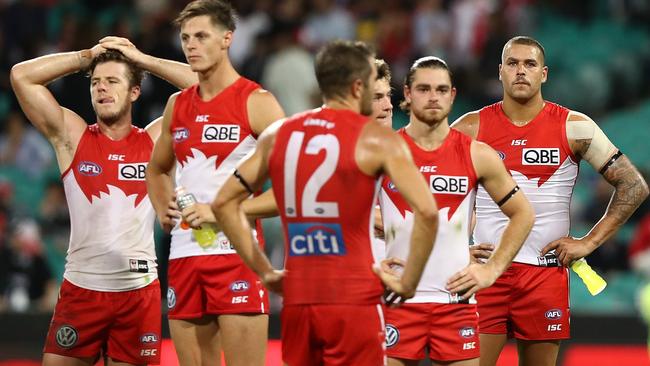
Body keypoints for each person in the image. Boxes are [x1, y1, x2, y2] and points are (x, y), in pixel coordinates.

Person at [212, 40, 439, 366]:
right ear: (358, 86)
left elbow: (223, 204)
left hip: (298, 296)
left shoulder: (279, 133)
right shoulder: (375, 138)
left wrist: (264, 271)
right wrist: (408, 283)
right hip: (354, 297)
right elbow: (428, 212)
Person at [451, 36, 649, 366]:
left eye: (529, 64)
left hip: (544, 277)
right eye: (512, 64)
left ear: (544, 73)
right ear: (500, 72)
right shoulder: (470, 127)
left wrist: (589, 242)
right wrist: (454, 247)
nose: (520, 71)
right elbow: (433, 193)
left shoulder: (574, 127)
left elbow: (634, 185)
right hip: (486, 275)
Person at [10, 39, 196, 364]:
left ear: (135, 92)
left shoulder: (154, 141)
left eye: (112, 81)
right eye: (96, 82)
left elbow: (206, 87)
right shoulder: (73, 136)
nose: (101, 89)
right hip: (81, 290)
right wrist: (86, 58)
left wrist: (142, 60)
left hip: (138, 295)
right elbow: (21, 75)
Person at [145, 1, 285, 365]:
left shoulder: (258, 102)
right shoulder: (177, 105)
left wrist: (225, 212)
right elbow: (157, 168)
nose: (191, 45)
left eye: (201, 36)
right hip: (183, 257)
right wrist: (163, 207)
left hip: (236, 257)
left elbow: (293, 191)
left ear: (227, 39)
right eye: (185, 38)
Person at [379, 56, 533, 366]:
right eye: (423, 89)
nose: (433, 97)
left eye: (441, 89)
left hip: (456, 303)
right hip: (396, 301)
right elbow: (342, 212)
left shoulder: (477, 154)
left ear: (453, 95)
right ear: (407, 94)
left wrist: (492, 270)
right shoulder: (382, 151)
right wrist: (366, 265)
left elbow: (523, 214)